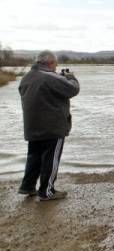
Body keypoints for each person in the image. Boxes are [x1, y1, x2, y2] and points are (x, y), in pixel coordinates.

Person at [17, 50, 79, 201]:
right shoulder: (50, 76)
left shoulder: (26, 77)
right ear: (50, 62)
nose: (57, 66)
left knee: (34, 157)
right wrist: (71, 77)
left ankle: (27, 186)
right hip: (52, 127)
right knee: (51, 159)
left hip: (32, 125)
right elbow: (72, 89)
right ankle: (47, 191)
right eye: (56, 63)